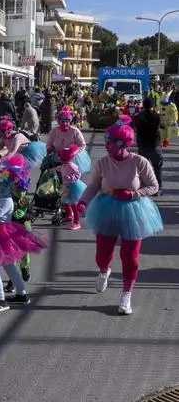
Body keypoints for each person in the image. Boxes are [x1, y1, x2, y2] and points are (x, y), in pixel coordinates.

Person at [78, 116, 163, 315]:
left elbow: (153, 186)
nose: (106, 146)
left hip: (134, 210)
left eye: (110, 143)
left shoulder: (139, 162)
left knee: (130, 257)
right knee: (102, 254)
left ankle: (126, 294)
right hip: (106, 208)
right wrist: (83, 201)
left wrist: (133, 194)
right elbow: (93, 186)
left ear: (122, 144)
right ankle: (103, 270)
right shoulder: (102, 163)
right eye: (106, 142)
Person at [0, 154, 47, 313]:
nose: (0, 185)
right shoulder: (1, 199)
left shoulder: (7, 201)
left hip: (0, 237)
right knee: (9, 267)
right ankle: (22, 294)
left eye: (4, 183)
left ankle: (0, 300)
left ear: (11, 186)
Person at [46, 107, 91, 174]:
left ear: (70, 121)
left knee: (70, 180)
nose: (65, 124)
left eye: (67, 121)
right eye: (62, 122)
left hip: (72, 161)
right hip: (56, 159)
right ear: (59, 122)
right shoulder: (54, 131)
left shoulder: (75, 131)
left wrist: (73, 152)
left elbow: (82, 145)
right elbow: (49, 144)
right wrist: (50, 149)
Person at [134, 96, 163, 195]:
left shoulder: (138, 116)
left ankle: (143, 187)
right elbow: (163, 125)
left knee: (142, 168)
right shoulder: (156, 116)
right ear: (152, 105)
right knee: (157, 167)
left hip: (142, 145)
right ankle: (158, 188)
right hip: (155, 145)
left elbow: (135, 126)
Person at [58, 145, 87, 231]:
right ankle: (69, 216)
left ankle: (77, 222)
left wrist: (70, 178)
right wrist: (53, 169)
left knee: (74, 204)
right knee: (66, 202)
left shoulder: (71, 165)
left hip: (73, 186)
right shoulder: (64, 165)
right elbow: (61, 168)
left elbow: (78, 174)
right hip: (66, 186)